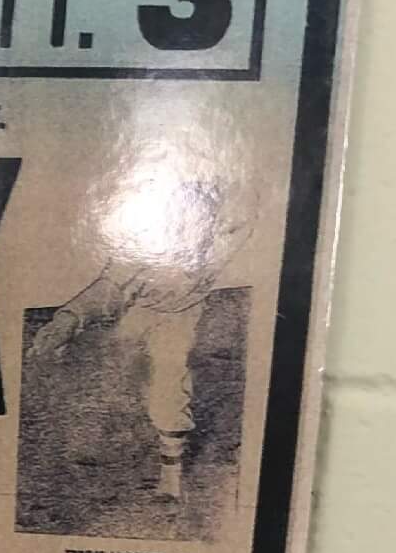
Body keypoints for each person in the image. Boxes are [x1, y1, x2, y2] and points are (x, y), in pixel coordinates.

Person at [31, 164, 255, 505]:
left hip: (178, 315)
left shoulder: (227, 229)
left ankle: (171, 478)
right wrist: (66, 320)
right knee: (110, 367)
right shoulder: (144, 237)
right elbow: (108, 289)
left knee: (168, 384)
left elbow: (246, 208)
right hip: (136, 309)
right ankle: (96, 440)